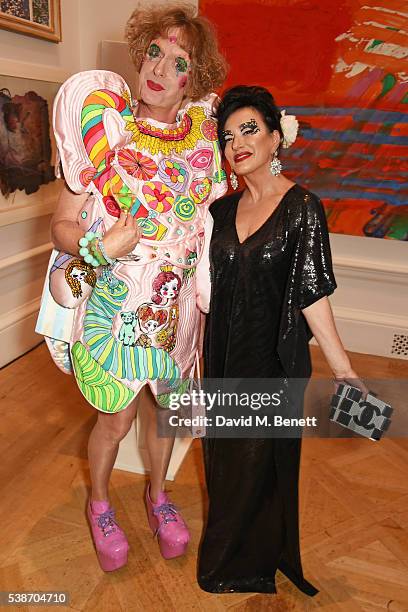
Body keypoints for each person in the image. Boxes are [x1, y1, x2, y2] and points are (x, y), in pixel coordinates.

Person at [36, 4, 227, 572]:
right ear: (141, 53)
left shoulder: (204, 142)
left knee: (165, 412)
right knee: (115, 419)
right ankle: (99, 504)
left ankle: (158, 497)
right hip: (117, 310)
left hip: (177, 314)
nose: (161, 69)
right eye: (154, 53)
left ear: (194, 79)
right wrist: (99, 248)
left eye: (179, 63)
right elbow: (61, 226)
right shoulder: (106, 131)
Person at [197, 86, 367, 595]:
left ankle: (247, 565)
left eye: (250, 130)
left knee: (261, 466)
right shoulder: (220, 213)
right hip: (221, 360)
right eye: (228, 136)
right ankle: (231, 559)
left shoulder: (302, 209)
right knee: (224, 465)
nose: (237, 144)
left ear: (276, 138)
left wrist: (344, 371)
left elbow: (313, 296)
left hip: (272, 362)